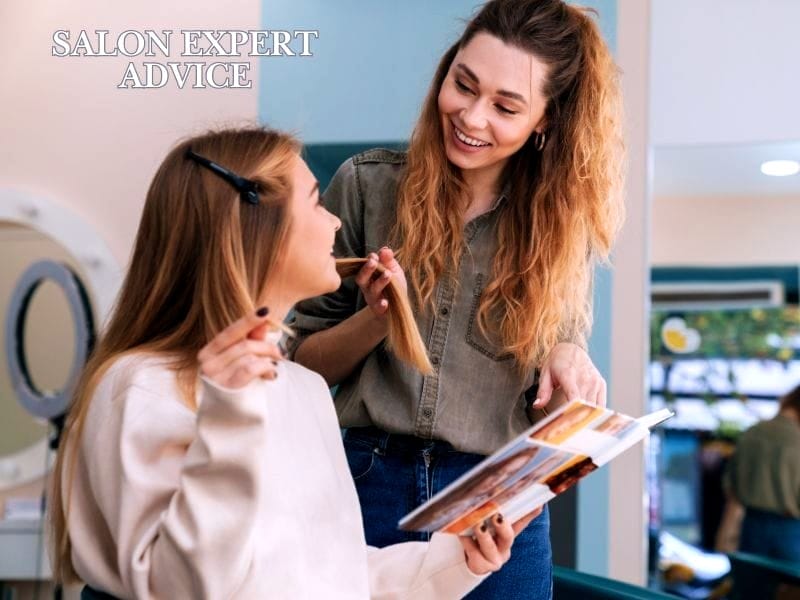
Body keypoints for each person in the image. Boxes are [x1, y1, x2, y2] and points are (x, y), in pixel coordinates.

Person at [48, 127, 540, 599]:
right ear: (256, 226)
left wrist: (459, 558)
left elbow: (336, 578)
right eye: (317, 203)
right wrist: (229, 420)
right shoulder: (144, 388)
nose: (336, 222)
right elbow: (182, 588)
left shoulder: (302, 389)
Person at [289, 0, 624, 597]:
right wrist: (375, 322)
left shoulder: (561, 233)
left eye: (506, 106)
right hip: (367, 484)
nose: (470, 116)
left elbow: (549, 397)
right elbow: (301, 368)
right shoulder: (366, 187)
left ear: (544, 121)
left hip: (499, 510)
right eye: (462, 85)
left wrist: (568, 367)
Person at [724, 384, 800, 562]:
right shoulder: (797, 440)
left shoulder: (751, 433)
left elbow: (731, 488)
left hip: (751, 527)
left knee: (750, 587)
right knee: (791, 589)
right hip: (791, 531)